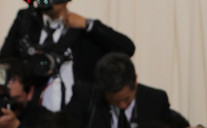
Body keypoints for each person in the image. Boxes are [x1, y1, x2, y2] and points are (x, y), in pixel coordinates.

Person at [0, 1, 134, 111]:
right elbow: (5, 60)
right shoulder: (26, 22)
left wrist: (89, 25)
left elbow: (127, 48)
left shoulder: (81, 32)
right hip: (34, 111)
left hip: (74, 114)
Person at [68, 52, 188, 128]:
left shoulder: (156, 100)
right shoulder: (85, 97)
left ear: (135, 81)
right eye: (115, 101)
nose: (122, 105)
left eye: (127, 99)